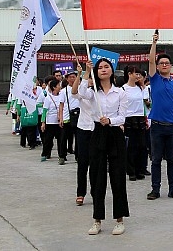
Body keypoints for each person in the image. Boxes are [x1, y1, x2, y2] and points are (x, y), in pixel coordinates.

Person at [76, 59, 129, 235]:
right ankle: (97, 220)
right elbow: (80, 92)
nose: (103, 70)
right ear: (96, 72)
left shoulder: (120, 92)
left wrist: (110, 120)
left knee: (117, 177)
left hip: (114, 133)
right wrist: (86, 72)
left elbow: (123, 117)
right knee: (97, 177)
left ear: (112, 71)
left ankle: (119, 220)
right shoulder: (93, 93)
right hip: (97, 133)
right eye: (100, 68)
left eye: (106, 67)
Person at [147, 31, 173, 200]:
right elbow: (150, 60)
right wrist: (154, 43)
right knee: (156, 160)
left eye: (167, 63)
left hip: (172, 127)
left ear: (171, 66)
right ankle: (155, 190)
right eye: (161, 63)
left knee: (172, 160)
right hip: (156, 126)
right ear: (157, 66)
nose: (164, 65)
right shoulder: (154, 79)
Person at [70, 65, 95, 207]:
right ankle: (80, 193)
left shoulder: (100, 93)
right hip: (83, 129)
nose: (91, 80)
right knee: (83, 163)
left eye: (92, 78)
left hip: (97, 129)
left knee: (96, 163)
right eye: (90, 78)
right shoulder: (83, 93)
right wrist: (82, 73)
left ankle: (95, 192)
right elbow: (74, 92)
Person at [122, 66, 150, 181]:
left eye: (139, 74)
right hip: (129, 118)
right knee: (131, 146)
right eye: (136, 74)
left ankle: (140, 170)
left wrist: (143, 85)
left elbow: (145, 102)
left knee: (142, 146)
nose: (138, 76)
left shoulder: (140, 88)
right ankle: (131, 171)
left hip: (140, 118)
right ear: (129, 74)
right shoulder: (123, 89)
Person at [40, 78, 66, 165]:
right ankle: (44, 154)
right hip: (50, 122)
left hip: (60, 122)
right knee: (48, 140)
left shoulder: (62, 96)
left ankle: (61, 156)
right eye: (58, 85)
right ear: (54, 87)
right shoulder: (48, 98)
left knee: (61, 140)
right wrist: (43, 123)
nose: (60, 87)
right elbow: (44, 111)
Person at [63, 71, 80, 158]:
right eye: (70, 77)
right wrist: (60, 117)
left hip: (79, 116)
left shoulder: (81, 89)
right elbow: (61, 104)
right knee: (64, 136)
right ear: (67, 79)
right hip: (67, 115)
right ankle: (63, 155)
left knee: (78, 137)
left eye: (74, 77)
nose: (72, 79)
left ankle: (78, 155)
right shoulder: (64, 91)